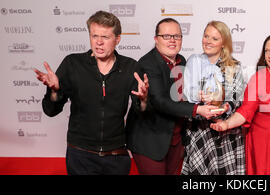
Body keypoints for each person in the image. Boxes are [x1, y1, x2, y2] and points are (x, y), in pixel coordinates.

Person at [34, 10, 149, 175]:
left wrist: (144, 100)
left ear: (117, 39)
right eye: (94, 36)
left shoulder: (131, 67)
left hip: (116, 156)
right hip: (80, 155)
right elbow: (50, 110)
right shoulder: (72, 63)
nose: (99, 43)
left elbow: (143, 116)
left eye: (105, 37)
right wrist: (54, 91)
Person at [126, 18, 219, 175]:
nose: (172, 40)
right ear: (156, 39)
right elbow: (160, 101)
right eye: (166, 36)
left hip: (176, 140)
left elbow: (182, 95)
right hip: (150, 141)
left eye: (177, 36)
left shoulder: (181, 60)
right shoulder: (147, 63)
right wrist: (197, 109)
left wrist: (201, 96)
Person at [210, 33, 270, 175]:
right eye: (267, 51)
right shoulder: (259, 78)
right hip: (267, 143)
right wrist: (226, 124)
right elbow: (246, 110)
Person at [182, 21, 246, 175]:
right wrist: (198, 97)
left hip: (224, 132)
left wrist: (225, 106)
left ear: (223, 43)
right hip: (199, 129)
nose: (208, 41)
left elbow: (236, 97)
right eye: (206, 36)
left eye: (215, 38)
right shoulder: (193, 62)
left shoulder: (233, 66)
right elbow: (186, 93)